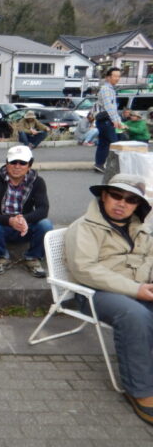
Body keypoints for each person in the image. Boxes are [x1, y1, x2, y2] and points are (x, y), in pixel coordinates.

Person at [64, 174, 153, 427]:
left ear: (137, 205)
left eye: (131, 200)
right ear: (104, 195)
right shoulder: (84, 227)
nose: (122, 203)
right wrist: (135, 289)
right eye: (116, 195)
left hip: (136, 288)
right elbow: (84, 270)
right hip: (94, 293)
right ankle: (139, 389)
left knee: (139, 312)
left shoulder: (141, 229)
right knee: (134, 316)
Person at [0, 145, 52, 277]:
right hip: (3, 227)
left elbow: (43, 209)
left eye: (22, 163)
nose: (17, 166)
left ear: (29, 165)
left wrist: (24, 219)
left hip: (26, 227)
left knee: (46, 224)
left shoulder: (38, 182)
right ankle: (1, 258)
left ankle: (33, 258)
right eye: (13, 162)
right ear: (7, 163)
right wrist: (10, 221)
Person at [94, 67, 126, 173]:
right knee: (115, 143)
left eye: (119, 76)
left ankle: (99, 164)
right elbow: (109, 107)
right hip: (106, 120)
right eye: (115, 76)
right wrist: (116, 121)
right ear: (108, 77)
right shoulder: (106, 89)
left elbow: (113, 108)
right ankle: (116, 167)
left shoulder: (111, 89)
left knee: (104, 143)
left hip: (105, 120)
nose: (117, 78)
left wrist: (118, 121)